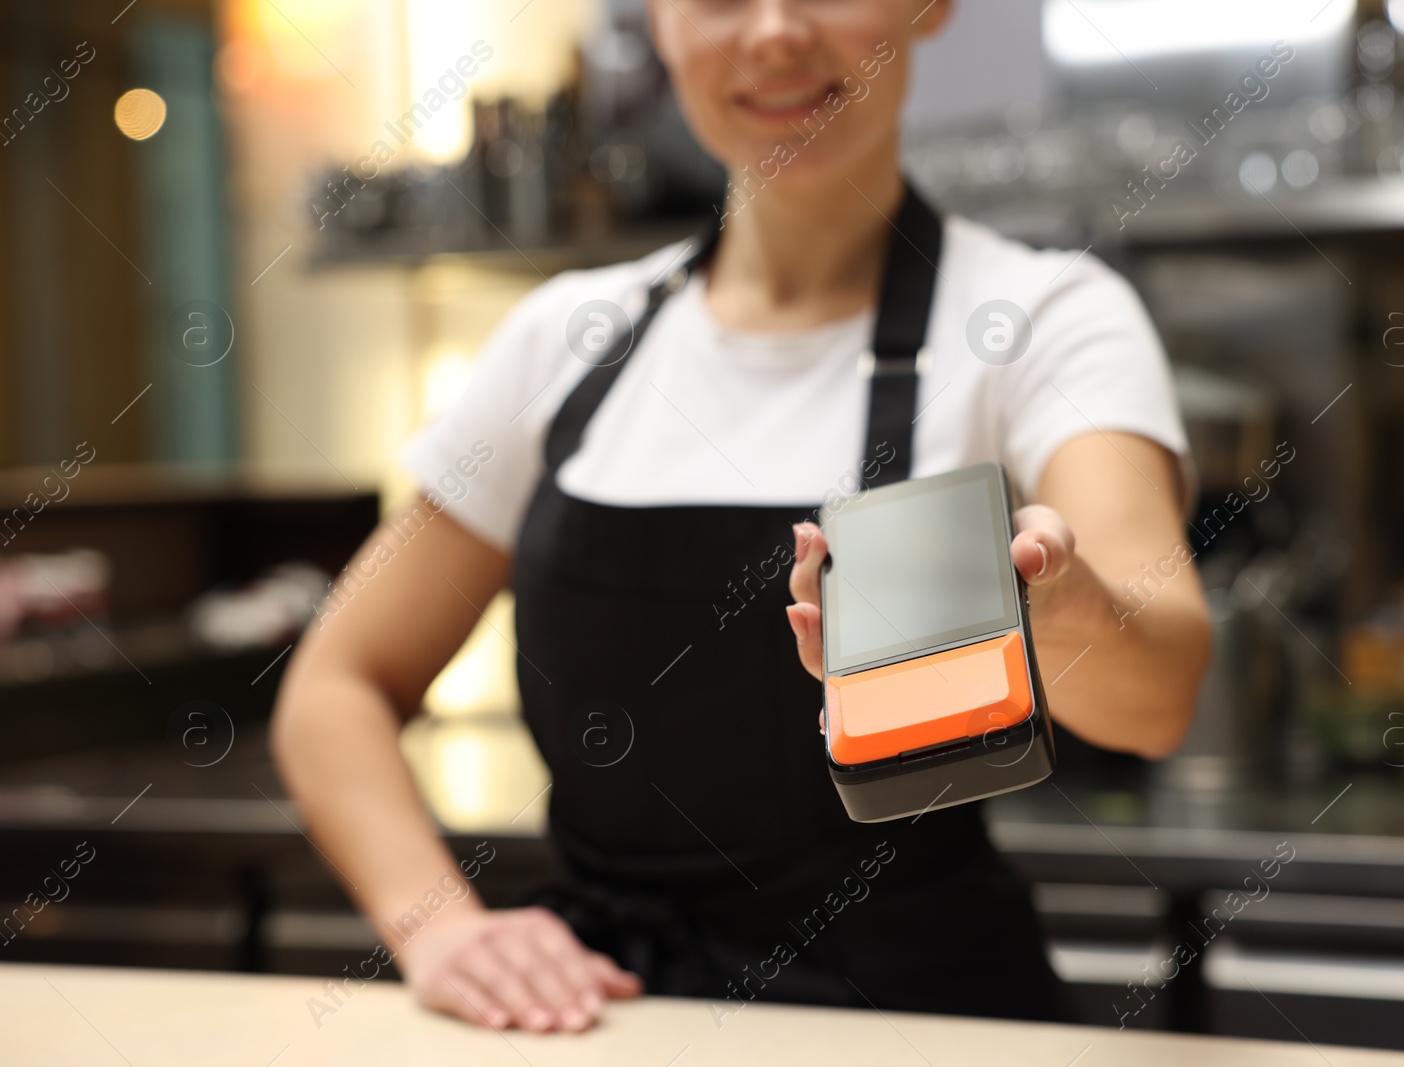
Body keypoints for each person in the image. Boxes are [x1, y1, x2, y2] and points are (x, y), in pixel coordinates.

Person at [271, 0, 1211, 1037]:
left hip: (916, 1021)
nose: (771, 32)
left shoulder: (1044, 319)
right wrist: (440, 926)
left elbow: (1156, 695)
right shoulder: (563, 339)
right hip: (605, 1018)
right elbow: (335, 687)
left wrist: (1056, 603)